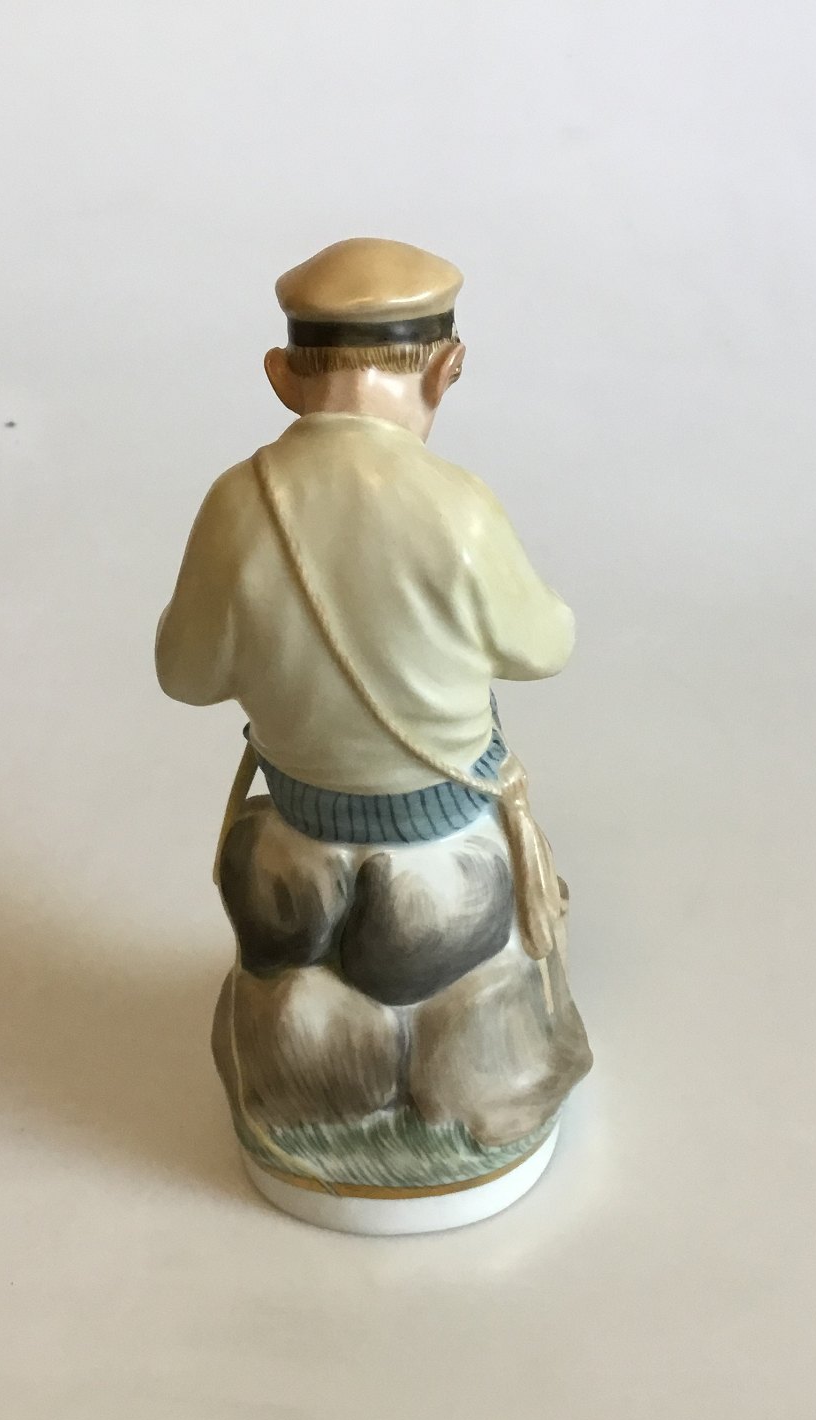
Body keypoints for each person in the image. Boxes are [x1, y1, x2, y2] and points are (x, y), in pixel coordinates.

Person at [156, 238, 592, 1208]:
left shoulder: (234, 503)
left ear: (282, 376)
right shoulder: (459, 508)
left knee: (294, 1007)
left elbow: (185, 676)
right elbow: (544, 646)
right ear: (446, 368)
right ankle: (472, 1112)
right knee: (477, 1009)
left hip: (296, 835)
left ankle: (307, 1108)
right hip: (446, 843)